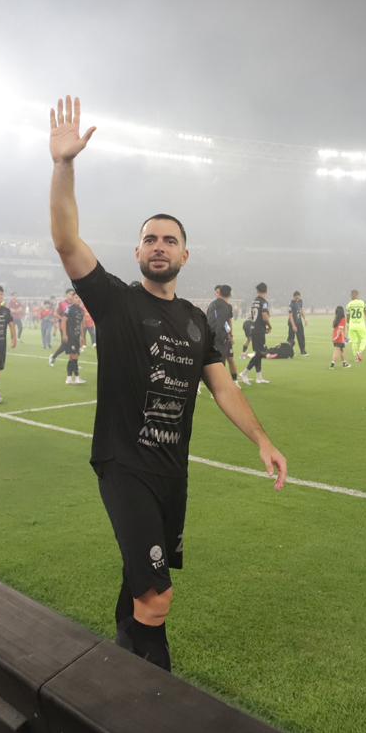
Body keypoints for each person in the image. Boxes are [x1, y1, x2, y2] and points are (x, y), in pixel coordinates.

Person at [48, 94, 287, 671]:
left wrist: (261, 439)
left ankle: (117, 672)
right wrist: (63, 165)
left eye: (170, 240)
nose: (160, 247)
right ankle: (155, 702)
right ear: (137, 251)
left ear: (185, 254)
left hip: (171, 471)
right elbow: (66, 241)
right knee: (157, 598)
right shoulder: (116, 301)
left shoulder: (197, 320)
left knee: (138, 583)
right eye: (151, 239)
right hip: (125, 464)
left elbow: (223, 387)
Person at [205, 285, 240, 386]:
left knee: (228, 359)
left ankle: (234, 382)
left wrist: (230, 335)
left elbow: (225, 322)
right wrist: (222, 337)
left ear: (219, 293)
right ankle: (217, 386)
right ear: (230, 294)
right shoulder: (223, 307)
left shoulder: (214, 304)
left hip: (215, 335)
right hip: (219, 337)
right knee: (219, 362)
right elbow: (221, 323)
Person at [239, 283, 272, 385]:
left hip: (253, 327)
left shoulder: (254, 301)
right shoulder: (264, 302)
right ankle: (244, 372)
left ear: (257, 291)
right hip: (259, 329)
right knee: (261, 353)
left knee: (258, 352)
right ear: (266, 291)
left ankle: (259, 377)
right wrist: (269, 326)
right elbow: (264, 317)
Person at [63, 292, 88, 385]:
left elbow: (81, 325)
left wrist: (82, 337)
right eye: (76, 297)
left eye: (80, 297)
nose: (78, 299)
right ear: (73, 299)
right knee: (75, 356)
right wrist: (64, 334)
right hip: (70, 336)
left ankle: (69, 378)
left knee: (71, 357)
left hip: (76, 336)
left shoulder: (81, 310)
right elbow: (63, 320)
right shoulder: (69, 308)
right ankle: (77, 377)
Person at [48, 288, 77, 365]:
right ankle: (53, 356)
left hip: (72, 328)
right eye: (70, 294)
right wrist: (63, 319)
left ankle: (73, 363)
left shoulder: (74, 304)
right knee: (64, 345)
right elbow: (56, 314)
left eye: (73, 294)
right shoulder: (62, 304)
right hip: (64, 327)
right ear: (66, 295)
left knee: (73, 345)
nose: (72, 295)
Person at [346, 289, 366, 362]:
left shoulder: (349, 304)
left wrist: (347, 324)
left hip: (352, 325)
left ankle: (356, 357)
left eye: (351, 295)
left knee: (354, 342)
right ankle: (360, 351)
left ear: (354, 295)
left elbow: (348, 315)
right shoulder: (363, 303)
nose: (350, 296)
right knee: (364, 339)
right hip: (360, 325)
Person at [288, 290, 307, 356]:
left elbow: (301, 310)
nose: (297, 299)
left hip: (299, 322)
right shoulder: (291, 303)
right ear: (293, 297)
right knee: (291, 338)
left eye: (298, 298)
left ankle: (302, 350)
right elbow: (290, 315)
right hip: (292, 322)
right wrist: (293, 325)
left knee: (301, 336)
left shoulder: (300, 301)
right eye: (296, 298)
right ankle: (289, 351)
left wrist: (305, 319)